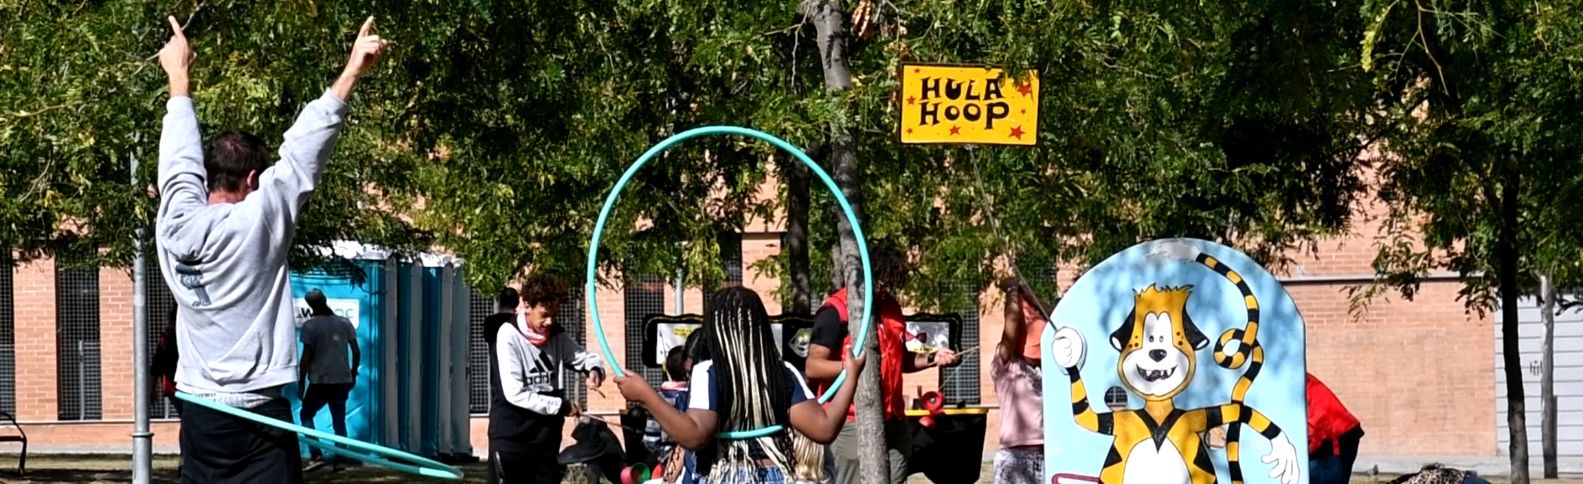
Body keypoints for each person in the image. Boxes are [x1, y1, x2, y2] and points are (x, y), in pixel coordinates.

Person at [154, 14, 386, 484]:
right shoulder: (258, 221)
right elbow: (304, 151)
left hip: (200, 420)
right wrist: (351, 72)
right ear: (253, 180)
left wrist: (179, 79)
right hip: (259, 417)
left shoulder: (173, 221)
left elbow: (177, 159)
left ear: (206, 176)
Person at [616, 288, 865, 484]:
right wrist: (851, 376)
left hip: (726, 474)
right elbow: (824, 429)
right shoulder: (783, 372)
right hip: (776, 474)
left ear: (715, 330)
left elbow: (695, 435)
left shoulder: (708, 372)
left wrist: (646, 396)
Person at [804, 246, 958, 484]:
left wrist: (932, 358)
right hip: (850, 420)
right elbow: (813, 367)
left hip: (893, 419)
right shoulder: (836, 310)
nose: (885, 289)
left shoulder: (891, 307)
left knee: (896, 476)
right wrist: (850, 369)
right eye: (881, 282)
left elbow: (900, 359)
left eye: (890, 284)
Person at [489, 274, 606, 484]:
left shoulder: (556, 333)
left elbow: (584, 358)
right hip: (512, 441)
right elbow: (515, 393)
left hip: (546, 443)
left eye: (554, 314)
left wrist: (594, 370)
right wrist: (561, 406)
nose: (550, 321)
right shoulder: (508, 335)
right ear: (527, 305)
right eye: (544, 315)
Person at [298, 289, 360, 471]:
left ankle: (316, 455)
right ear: (325, 300)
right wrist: (353, 373)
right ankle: (340, 458)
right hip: (341, 380)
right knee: (339, 420)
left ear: (310, 306)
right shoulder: (344, 322)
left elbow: (306, 357)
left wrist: (301, 382)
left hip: (320, 381)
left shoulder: (310, 326)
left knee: (306, 415)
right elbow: (356, 352)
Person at [992, 279, 1047, 484]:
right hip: (1015, 456)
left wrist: (1028, 293)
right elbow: (1012, 323)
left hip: (1046, 454)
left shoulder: (1047, 368)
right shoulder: (1007, 364)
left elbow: (1055, 317)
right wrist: (1012, 291)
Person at [1308, 372, 1364, 484]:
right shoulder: (1293, 377)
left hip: (1335, 435)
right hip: (1339, 432)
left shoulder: (1292, 382)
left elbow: (1317, 421)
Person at [151, 307, 181, 415]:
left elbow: (156, 367)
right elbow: (156, 366)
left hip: (176, 387)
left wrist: (152, 389)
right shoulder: (168, 339)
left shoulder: (167, 339)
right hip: (180, 387)